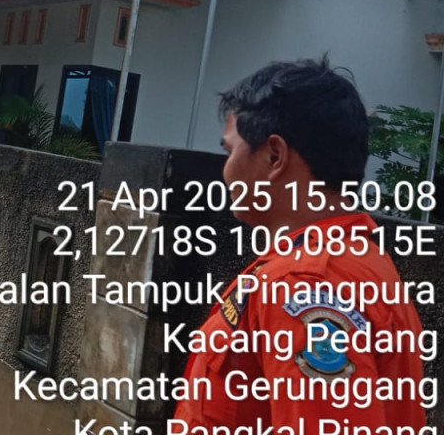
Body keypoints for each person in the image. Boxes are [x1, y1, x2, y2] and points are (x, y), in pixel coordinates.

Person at [172, 58, 428, 430]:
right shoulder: (362, 261)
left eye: (230, 152)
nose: (225, 170)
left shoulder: (302, 284)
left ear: (274, 156)